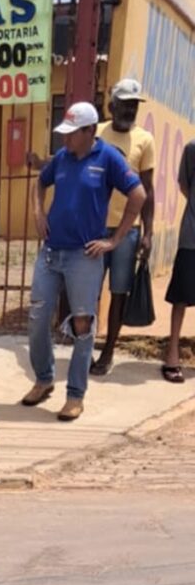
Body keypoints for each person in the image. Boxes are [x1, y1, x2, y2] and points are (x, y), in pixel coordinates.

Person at [24, 102, 146, 421]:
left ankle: (75, 395)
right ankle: (44, 379)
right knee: (37, 317)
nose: (65, 139)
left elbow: (138, 195)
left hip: (84, 256)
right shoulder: (62, 158)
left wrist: (114, 240)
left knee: (82, 324)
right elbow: (40, 181)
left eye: (71, 134)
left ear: (90, 131)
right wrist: (38, 212)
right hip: (51, 252)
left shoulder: (109, 158)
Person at [89, 79, 156, 376]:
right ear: (111, 105)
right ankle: (85, 347)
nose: (130, 110)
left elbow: (148, 190)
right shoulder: (96, 132)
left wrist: (148, 232)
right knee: (88, 291)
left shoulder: (145, 140)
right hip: (93, 227)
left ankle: (107, 352)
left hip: (126, 232)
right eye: (125, 104)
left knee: (119, 292)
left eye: (134, 105)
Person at [162, 140, 195, 383]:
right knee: (181, 295)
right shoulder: (192, 149)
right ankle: (172, 354)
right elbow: (184, 186)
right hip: (192, 236)